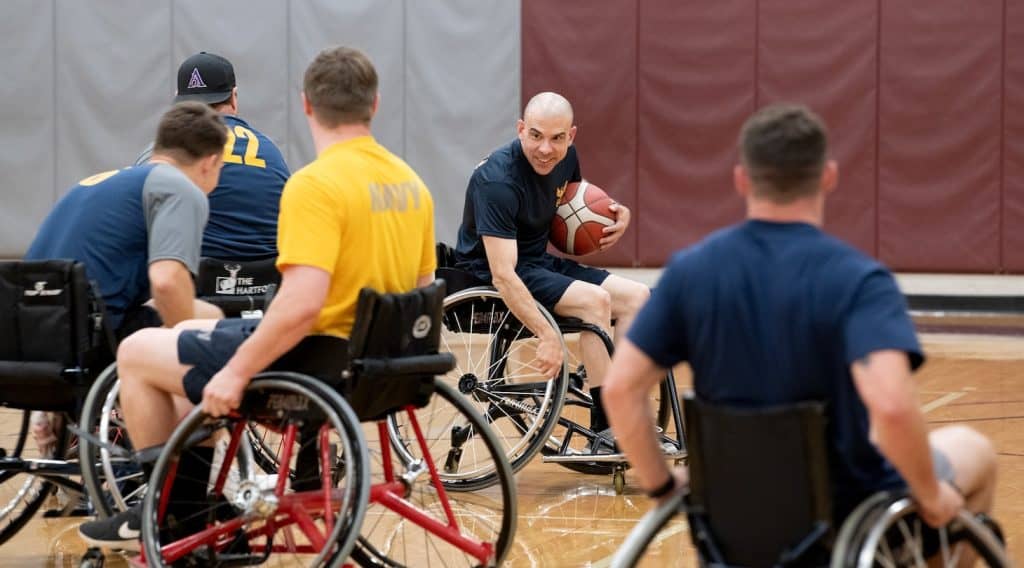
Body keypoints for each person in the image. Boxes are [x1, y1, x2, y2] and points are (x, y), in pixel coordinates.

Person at [78, 46, 437, 551]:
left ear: (307, 105)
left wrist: (237, 372)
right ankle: (207, 506)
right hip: (383, 364)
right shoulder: (412, 186)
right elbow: (421, 290)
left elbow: (302, 305)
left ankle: (165, 513)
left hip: (315, 358)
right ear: (374, 104)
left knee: (140, 353)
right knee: (188, 343)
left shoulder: (317, 186)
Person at [603, 105, 997, 536]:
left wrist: (660, 485)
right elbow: (892, 405)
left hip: (732, 518)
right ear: (828, 176)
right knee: (973, 453)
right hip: (843, 516)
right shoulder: (860, 280)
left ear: (742, 179)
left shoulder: (689, 273)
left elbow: (621, 388)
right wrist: (932, 496)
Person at [453, 92, 649, 437]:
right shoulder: (497, 181)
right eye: (536, 135)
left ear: (570, 136)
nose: (546, 149)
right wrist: (547, 334)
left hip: (539, 262)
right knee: (595, 302)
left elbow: (576, 208)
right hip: (492, 273)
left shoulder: (566, 158)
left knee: (637, 296)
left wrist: (616, 215)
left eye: (557, 138)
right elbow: (503, 274)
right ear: (520, 129)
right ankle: (607, 426)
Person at [26, 101, 227, 340]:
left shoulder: (103, 181)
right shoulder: (180, 188)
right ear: (210, 162)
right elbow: (166, 281)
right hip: (88, 335)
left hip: (26, 325)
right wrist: (184, 347)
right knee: (209, 315)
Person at [136, 51, 290, 260]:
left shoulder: (166, 150)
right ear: (234, 98)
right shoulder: (271, 151)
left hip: (191, 282)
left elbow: (136, 214)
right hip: (267, 284)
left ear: (180, 104)